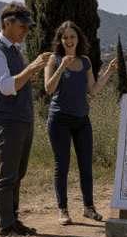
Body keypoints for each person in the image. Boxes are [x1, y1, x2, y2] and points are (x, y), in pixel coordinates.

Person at [0, 2, 51, 237]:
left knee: (17, 175)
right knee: (7, 176)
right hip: (7, 121)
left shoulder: (13, 49)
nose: (26, 32)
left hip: (22, 119)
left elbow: (16, 83)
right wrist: (32, 67)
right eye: (22, 26)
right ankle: (5, 231)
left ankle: (13, 222)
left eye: (28, 28)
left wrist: (27, 78)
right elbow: (6, 86)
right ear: (7, 23)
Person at [43, 21, 118, 226]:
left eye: (72, 37)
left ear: (78, 39)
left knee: (86, 166)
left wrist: (109, 72)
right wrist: (61, 68)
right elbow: (48, 89)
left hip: (82, 120)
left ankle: (89, 208)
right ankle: (63, 210)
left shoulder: (85, 61)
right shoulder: (54, 59)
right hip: (59, 119)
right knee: (62, 166)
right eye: (64, 37)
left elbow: (92, 90)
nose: (68, 40)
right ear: (60, 40)